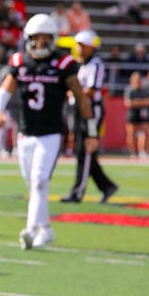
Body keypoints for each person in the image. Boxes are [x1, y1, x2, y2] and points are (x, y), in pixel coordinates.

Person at [0, 14, 98, 250]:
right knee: (33, 184)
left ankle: (29, 230)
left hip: (50, 133)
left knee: (40, 182)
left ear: (53, 39)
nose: (40, 43)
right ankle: (46, 228)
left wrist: (91, 133)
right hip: (26, 132)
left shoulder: (63, 64)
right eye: (36, 38)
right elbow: (3, 92)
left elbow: (82, 99)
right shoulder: (20, 61)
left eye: (44, 38)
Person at [60, 30, 118, 204]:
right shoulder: (79, 64)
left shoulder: (96, 64)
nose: (78, 48)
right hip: (77, 109)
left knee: (85, 149)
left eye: (81, 45)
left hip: (91, 111)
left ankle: (78, 191)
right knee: (82, 151)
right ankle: (106, 185)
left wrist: (73, 91)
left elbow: (91, 90)